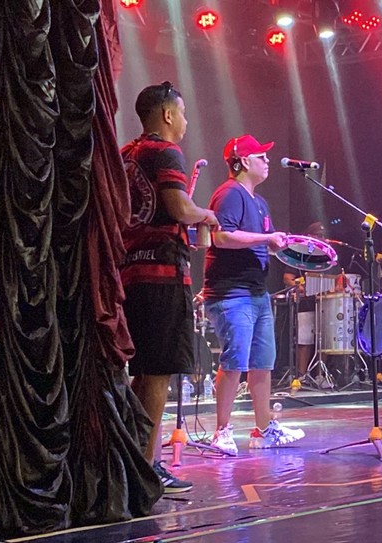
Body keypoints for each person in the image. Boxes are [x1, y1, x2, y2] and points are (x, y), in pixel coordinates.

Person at [120, 81, 219, 494]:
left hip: (127, 276)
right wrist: (205, 216)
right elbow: (179, 207)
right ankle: (147, 469)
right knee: (157, 374)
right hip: (161, 276)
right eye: (181, 112)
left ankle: (129, 463)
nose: (185, 121)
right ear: (166, 115)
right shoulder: (165, 152)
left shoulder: (126, 154)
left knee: (136, 373)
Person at [204, 134, 305, 456]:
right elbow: (221, 237)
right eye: (262, 156)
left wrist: (280, 245)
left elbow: (260, 241)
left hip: (257, 292)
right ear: (244, 161)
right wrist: (265, 238)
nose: (268, 161)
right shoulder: (230, 193)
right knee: (234, 361)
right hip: (232, 292)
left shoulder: (260, 202)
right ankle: (222, 430)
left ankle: (263, 429)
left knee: (262, 363)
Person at [282, 222, 340, 381]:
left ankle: (320, 375)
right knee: (305, 340)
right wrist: (302, 287)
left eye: (323, 236)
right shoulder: (300, 254)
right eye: (318, 236)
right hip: (306, 302)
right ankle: (302, 375)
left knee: (325, 340)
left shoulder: (329, 257)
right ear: (310, 237)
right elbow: (287, 278)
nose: (322, 239)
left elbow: (337, 280)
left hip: (326, 303)